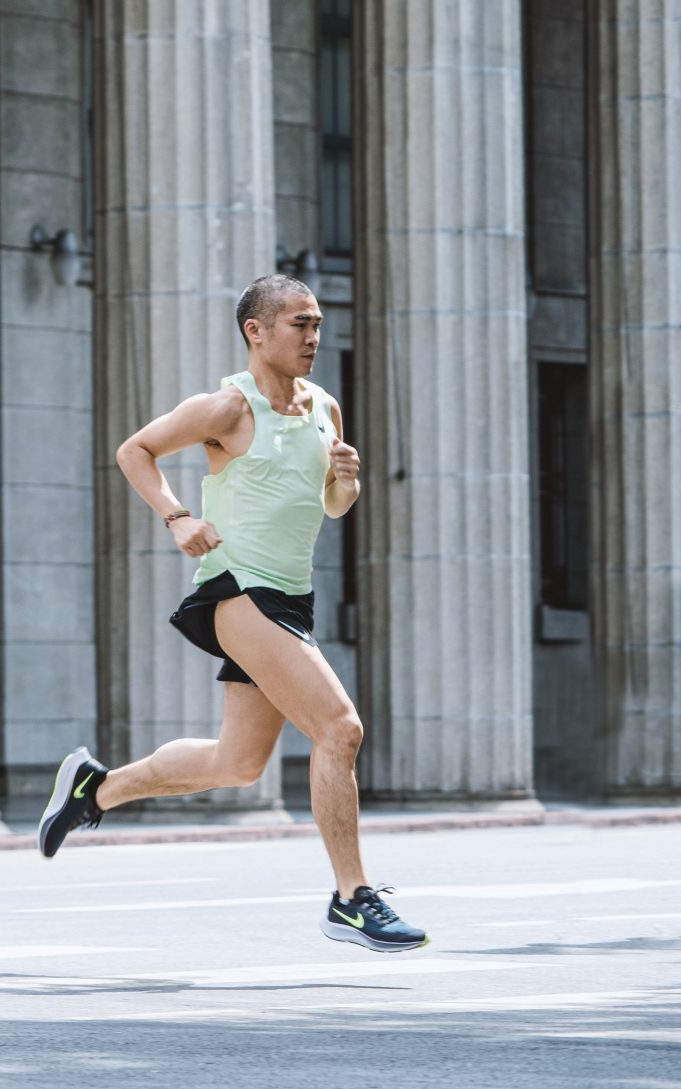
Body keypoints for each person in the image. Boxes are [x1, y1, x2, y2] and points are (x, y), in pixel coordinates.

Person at [35, 274, 427, 953]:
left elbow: (329, 507)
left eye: (317, 323)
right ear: (257, 330)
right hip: (237, 591)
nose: (313, 335)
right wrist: (178, 516)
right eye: (299, 323)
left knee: (237, 762)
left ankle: (94, 790)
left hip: (289, 596)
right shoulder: (227, 408)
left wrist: (348, 482)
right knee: (340, 728)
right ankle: (352, 898)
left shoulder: (324, 409)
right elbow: (136, 451)